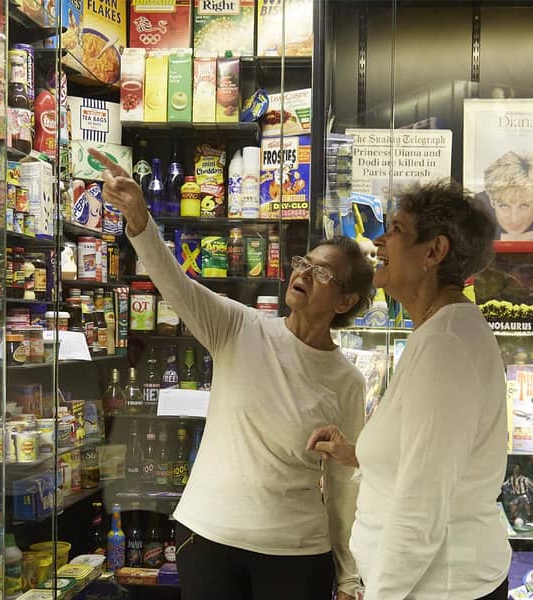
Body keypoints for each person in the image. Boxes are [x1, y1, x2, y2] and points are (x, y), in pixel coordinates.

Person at [90, 148, 374, 600]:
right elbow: (177, 285)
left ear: (345, 302)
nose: (303, 273)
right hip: (208, 537)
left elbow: (343, 487)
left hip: (296, 552)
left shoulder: (347, 381)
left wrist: (347, 575)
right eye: (304, 263)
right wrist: (140, 220)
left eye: (322, 272)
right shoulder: (239, 327)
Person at [307, 182, 510, 599]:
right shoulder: (440, 330)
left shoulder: (445, 345)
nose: (381, 240)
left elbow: (423, 506)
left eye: (397, 229)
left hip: (439, 588)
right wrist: (358, 454)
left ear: (434, 251)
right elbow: (425, 458)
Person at [480, 151, 533, 240]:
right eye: (504, 206)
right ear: (492, 201)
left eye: (524, 206)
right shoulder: (480, 207)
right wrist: (510, 239)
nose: (514, 219)